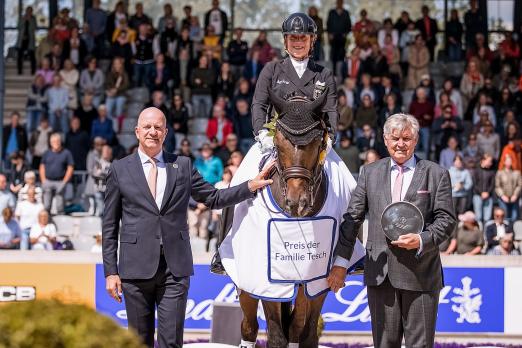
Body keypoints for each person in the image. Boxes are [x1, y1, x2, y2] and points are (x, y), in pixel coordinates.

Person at [102, 107, 273, 348]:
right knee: (138, 342)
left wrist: (250, 186)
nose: (153, 132)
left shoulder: (181, 165)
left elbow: (213, 197)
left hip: (175, 268)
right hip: (135, 268)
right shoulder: (119, 169)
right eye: (148, 127)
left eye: (158, 127)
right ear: (137, 131)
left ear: (166, 132)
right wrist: (111, 271)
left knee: (171, 342)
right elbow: (109, 224)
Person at [328, 113, 456, 348]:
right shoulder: (369, 172)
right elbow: (352, 219)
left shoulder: (436, 174)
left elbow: (447, 220)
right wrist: (340, 262)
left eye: (407, 138)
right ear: (385, 139)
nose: (401, 144)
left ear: (416, 140)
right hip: (380, 275)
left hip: (422, 276)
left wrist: (421, 239)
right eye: (395, 138)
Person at [39, 133, 75, 215]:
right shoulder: (46, 153)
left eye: (57, 141)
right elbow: (42, 167)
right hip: (47, 181)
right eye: (54, 141)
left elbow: (70, 168)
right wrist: (43, 180)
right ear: (51, 143)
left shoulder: (66, 153)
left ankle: (60, 223)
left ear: (60, 142)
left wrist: (64, 182)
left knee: (60, 206)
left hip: (60, 181)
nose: (56, 143)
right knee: (46, 206)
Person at [326, 0, 351, 74]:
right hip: (333, 37)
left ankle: (342, 72)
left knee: (342, 54)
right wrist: (329, 34)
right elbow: (328, 24)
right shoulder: (331, 12)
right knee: (333, 54)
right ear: (336, 3)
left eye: (341, 2)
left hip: (342, 37)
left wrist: (346, 33)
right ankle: (334, 73)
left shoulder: (346, 13)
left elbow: (349, 25)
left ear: (343, 3)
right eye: (338, 2)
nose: (339, 4)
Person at [495, 154, 522, 222]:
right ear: (504, 162)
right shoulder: (500, 173)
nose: (509, 162)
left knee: (514, 216)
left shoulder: (517, 173)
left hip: (514, 198)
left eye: (510, 161)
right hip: (503, 198)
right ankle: (506, 231)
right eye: (507, 161)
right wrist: (502, 195)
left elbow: (519, 185)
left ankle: (513, 232)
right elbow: (497, 186)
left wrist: (515, 195)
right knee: (505, 216)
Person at [472, 154, 496, 223]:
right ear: (483, 160)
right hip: (477, 196)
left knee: (487, 218)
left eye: (491, 162)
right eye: (489, 161)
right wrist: (481, 193)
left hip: (488, 196)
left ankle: (486, 233)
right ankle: (479, 232)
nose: (491, 163)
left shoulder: (492, 172)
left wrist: (487, 192)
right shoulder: (476, 170)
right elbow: (474, 183)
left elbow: (492, 184)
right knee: (478, 217)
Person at [16, 6, 37, 75]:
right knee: (20, 55)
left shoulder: (33, 19)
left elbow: (34, 28)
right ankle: (19, 71)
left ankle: (33, 71)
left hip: (30, 40)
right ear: (26, 11)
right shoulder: (22, 18)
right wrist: (24, 20)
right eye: (28, 11)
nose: (29, 12)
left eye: (30, 11)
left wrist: (30, 20)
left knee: (32, 55)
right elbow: (18, 27)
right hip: (22, 39)